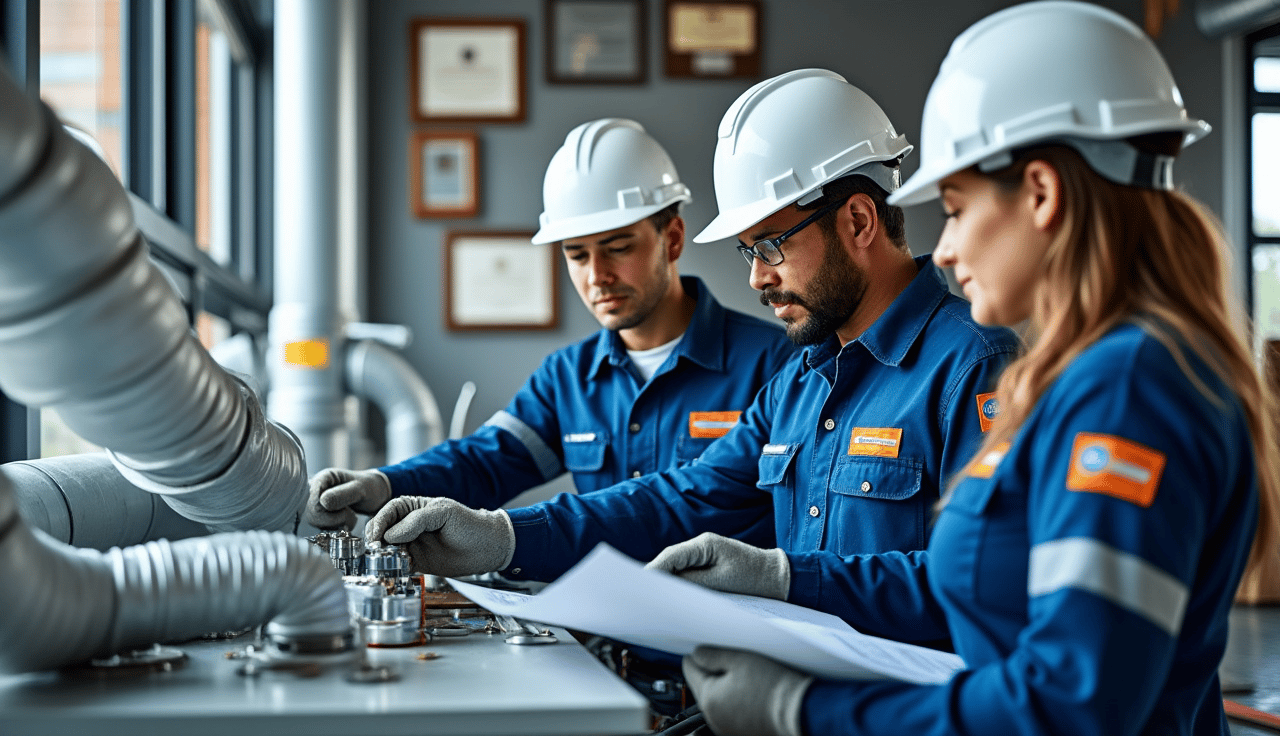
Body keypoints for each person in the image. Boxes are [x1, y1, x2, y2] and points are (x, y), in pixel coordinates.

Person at [649, 4, 1280, 735]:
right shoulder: (1083, 377)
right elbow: (977, 580)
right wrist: (786, 576)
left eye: (955, 206)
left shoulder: (1130, 388)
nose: (943, 250)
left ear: (1040, 194)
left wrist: (805, 710)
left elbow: (1075, 705)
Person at [362, 70, 1020, 595]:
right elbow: (678, 499)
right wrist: (505, 533)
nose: (758, 278)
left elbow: (982, 587)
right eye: (748, 252)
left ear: (856, 221)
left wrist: (785, 581)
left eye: (771, 245)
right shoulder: (801, 379)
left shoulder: (974, 365)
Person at [304, 118, 793, 534]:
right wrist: (382, 484)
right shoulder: (567, 379)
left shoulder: (775, 364)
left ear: (672, 238)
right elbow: (483, 461)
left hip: (720, 636)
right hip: (604, 637)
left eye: (617, 247)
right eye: (576, 255)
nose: (596, 276)